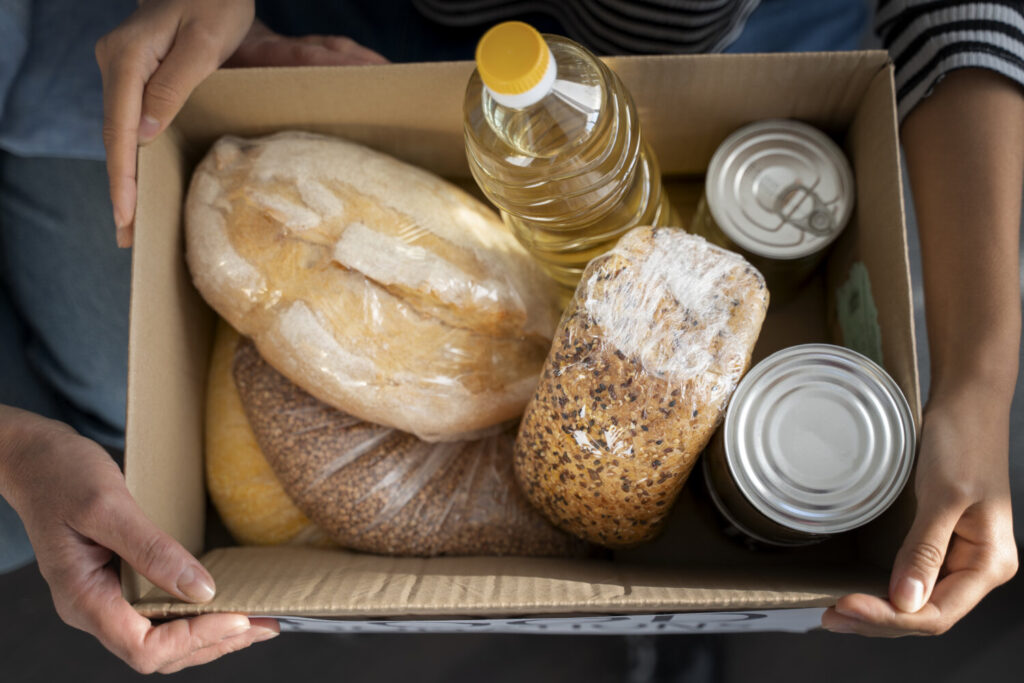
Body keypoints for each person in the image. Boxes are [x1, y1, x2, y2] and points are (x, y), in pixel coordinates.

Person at [0, 0, 1019, 673]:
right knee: (101, 407)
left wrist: (976, 383)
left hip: (665, 68)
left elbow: (956, 18)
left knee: (103, 399)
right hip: (284, 41)